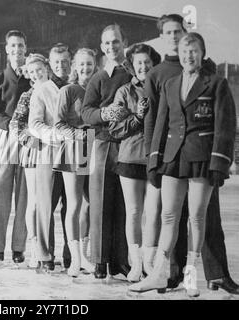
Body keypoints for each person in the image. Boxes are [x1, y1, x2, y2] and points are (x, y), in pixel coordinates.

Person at [143, 14, 239, 295]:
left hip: (201, 159)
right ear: (165, 38)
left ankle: (205, 276)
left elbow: (224, 125)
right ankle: (162, 274)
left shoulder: (214, 79)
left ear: (201, 52)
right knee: (168, 216)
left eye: (192, 48)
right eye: (171, 34)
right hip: (173, 157)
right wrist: (154, 158)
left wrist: (219, 164)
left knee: (201, 219)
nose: (186, 51)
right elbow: (157, 121)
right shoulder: (160, 77)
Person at [81, 24, 132, 279]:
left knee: (125, 204)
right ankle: (100, 261)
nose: (112, 47)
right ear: (102, 47)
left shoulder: (134, 73)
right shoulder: (98, 77)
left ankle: (120, 262)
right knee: (100, 202)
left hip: (129, 145)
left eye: (116, 42)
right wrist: (104, 113)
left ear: (125, 43)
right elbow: (86, 111)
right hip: (102, 143)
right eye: (107, 43)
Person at [107, 43, 161, 282]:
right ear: (131, 65)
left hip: (155, 158)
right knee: (134, 212)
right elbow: (115, 129)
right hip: (129, 158)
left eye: (147, 62)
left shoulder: (162, 89)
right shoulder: (124, 92)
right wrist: (138, 116)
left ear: (153, 64)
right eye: (138, 62)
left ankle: (150, 264)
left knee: (154, 212)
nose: (143, 66)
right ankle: (136, 264)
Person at [0, 30, 31, 265]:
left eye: (20, 46)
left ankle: (18, 247)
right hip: (6, 136)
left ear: (26, 48)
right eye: (12, 46)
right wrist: (10, 124)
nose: (17, 50)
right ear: (6, 49)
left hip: (29, 138)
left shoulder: (33, 75)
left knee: (24, 195)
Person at [28, 43, 72, 272]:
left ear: (70, 61)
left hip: (76, 151)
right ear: (50, 64)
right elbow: (34, 123)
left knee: (74, 205)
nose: (61, 65)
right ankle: (45, 255)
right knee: (46, 204)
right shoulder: (43, 88)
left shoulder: (79, 86)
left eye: (65, 61)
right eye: (56, 62)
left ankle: (72, 255)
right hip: (49, 150)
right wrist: (57, 135)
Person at [54, 48, 97, 277]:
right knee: (74, 204)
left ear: (95, 65)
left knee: (89, 205)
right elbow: (58, 124)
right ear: (74, 66)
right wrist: (77, 135)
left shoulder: (98, 89)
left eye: (89, 64)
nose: (85, 68)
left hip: (96, 148)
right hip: (74, 148)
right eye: (81, 64)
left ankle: (86, 258)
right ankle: (75, 259)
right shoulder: (68, 90)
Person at [9, 53, 50, 268]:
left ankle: (46, 250)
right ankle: (35, 248)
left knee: (48, 202)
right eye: (31, 72)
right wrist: (30, 139)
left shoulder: (55, 90)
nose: (36, 74)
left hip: (54, 151)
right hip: (34, 151)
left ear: (46, 68)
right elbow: (14, 124)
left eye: (39, 69)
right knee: (33, 201)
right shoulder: (28, 95)